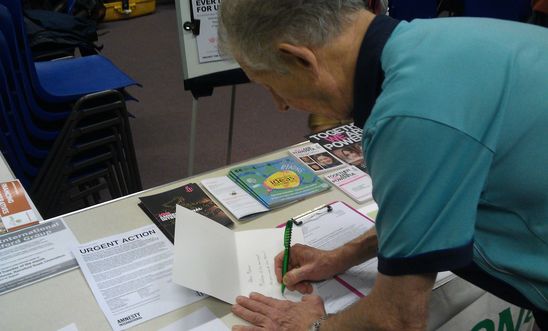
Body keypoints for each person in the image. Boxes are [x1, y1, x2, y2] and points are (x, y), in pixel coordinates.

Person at [219, 1, 548, 330]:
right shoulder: (436, 38)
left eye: (270, 86)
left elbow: (399, 319)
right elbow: (428, 208)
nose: (280, 105)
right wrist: (344, 255)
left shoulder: (409, 116)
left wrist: (313, 327)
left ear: (301, 59)